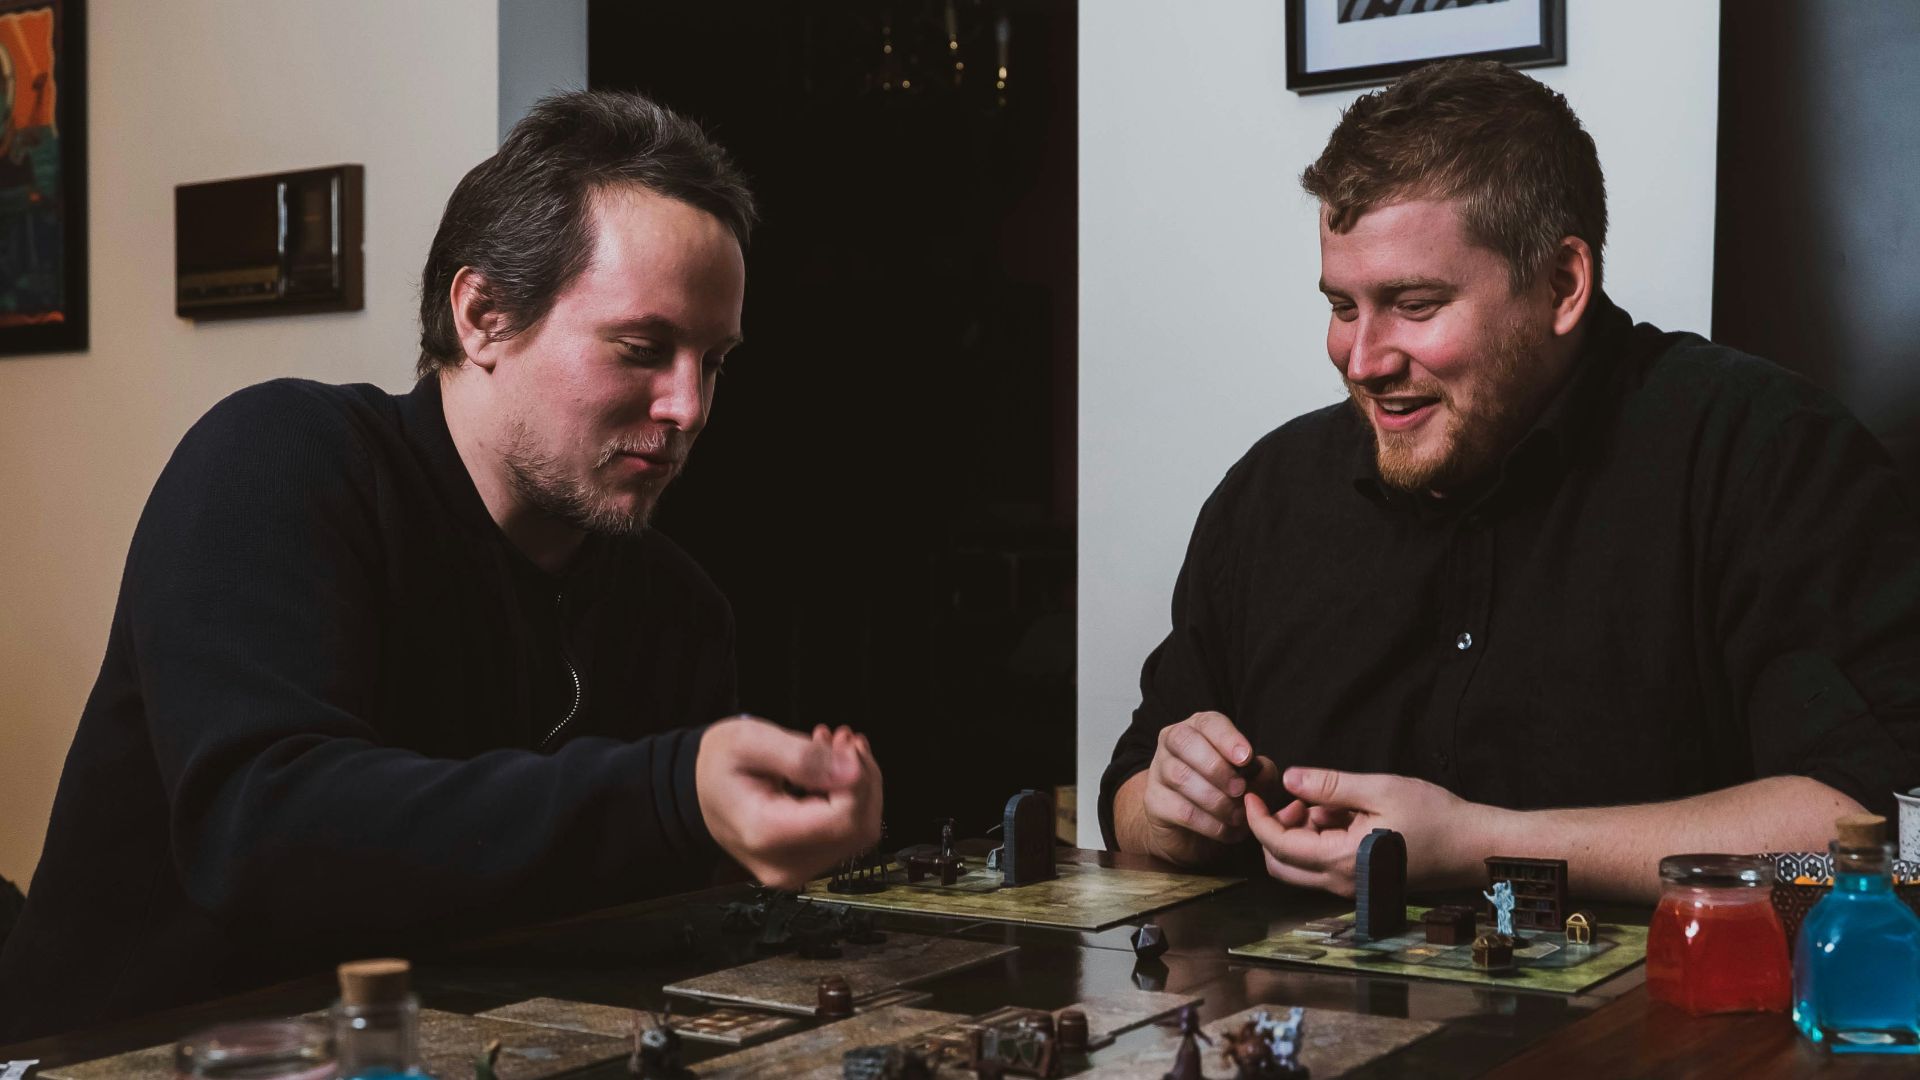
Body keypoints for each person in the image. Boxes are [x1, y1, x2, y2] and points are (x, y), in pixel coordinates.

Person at [0, 91, 882, 1041]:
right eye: (643, 349)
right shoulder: (278, 461)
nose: (689, 406)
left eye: (714, 361)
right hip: (133, 1054)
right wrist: (672, 791)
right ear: (483, 315)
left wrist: (767, 843)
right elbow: (266, 834)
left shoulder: (677, 608)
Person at [1100, 60, 1920, 903]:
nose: (1363, 360)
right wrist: (1173, 807)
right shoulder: (1267, 496)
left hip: (1653, 1033)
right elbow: (1129, 791)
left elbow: (1882, 832)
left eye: (1413, 304)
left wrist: (1486, 847)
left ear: (1562, 285)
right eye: (1343, 308)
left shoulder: (1764, 454)